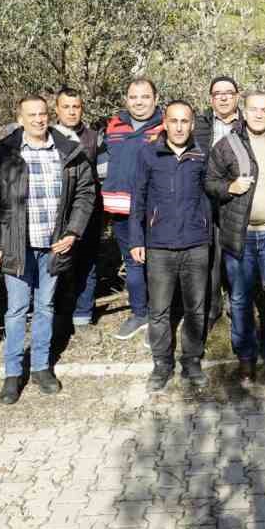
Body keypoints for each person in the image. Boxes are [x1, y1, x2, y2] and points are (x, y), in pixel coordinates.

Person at [0, 96, 99, 404]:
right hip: (16, 245)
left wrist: (73, 231)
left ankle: (42, 368)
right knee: (17, 309)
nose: (38, 120)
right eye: (31, 115)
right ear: (20, 118)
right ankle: (13, 373)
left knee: (45, 307)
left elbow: (86, 193)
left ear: (50, 116)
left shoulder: (68, 150)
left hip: (54, 244)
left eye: (42, 114)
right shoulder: (5, 152)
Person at [205, 90, 265, 384]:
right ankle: (245, 357)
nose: (259, 114)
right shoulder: (228, 144)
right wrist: (229, 187)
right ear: (244, 111)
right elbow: (209, 181)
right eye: (254, 109)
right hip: (240, 235)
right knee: (241, 299)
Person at [128, 101, 213, 391]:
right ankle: (162, 363)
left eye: (185, 121)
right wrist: (137, 239)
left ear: (192, 124)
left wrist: (205, 232)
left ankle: (191, 360)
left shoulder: (201, 155)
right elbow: (137, 199)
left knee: (195, 308)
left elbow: (208, 196)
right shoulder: (148, 154)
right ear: (164, 122)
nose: (179, 127)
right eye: (174, 121)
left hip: (195, 244)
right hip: (159, 245)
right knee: (159, 310)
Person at [100, 78, 164, 341]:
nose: (139, 102)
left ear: (156, 99)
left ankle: (160, 317)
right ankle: (140, 313)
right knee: (133, 262)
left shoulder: (165, 126)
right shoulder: (114, 126)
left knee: (158, 264)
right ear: (126, 99)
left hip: (154, 211)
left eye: (145, 96)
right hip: (121, 209)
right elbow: (103, 160)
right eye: (134, 97)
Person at [193, 76, 242, 336]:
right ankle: (212, 309)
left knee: (236, 256)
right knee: (210, 260)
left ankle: (238, 306)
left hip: (238, 201)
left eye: (228, 93)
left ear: (237, 96)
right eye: (217, 93)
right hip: (205, 201)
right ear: (211, 98)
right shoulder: (199, 125)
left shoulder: (248, 123)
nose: (223, 98)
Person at [52, 88, 103, 330]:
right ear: (57, 110)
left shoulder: (93, 137)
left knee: (87, 263)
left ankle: (83, 313)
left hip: (89, 213)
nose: (72, 112)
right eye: (66, 107)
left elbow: (103, 174)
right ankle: (59, 313)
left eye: (76, 107)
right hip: (57, 213)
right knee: (59, 263)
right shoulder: (47, 135)